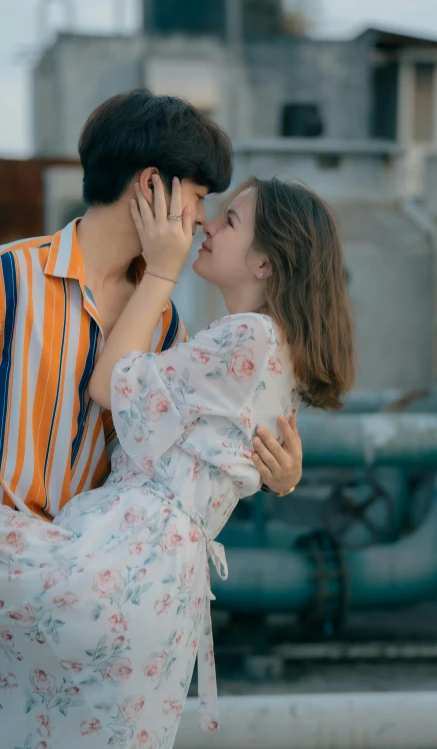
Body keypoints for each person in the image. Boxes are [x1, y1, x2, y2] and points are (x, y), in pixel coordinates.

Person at [0, 173, 354, 748]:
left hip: (120, 564)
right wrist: (283, 483)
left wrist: (162, 270)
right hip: (163, 598)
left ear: (266, 262)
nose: (206, 225)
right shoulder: (265, 348)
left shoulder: (248, 337)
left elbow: (111, 387)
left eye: (230, 221)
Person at [0, 89, 301, 523]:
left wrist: (283, 475)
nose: (201, 219)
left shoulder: (165, 325)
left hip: (88, 576)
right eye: (198, 196)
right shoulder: (11, 279)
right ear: (151, 185)